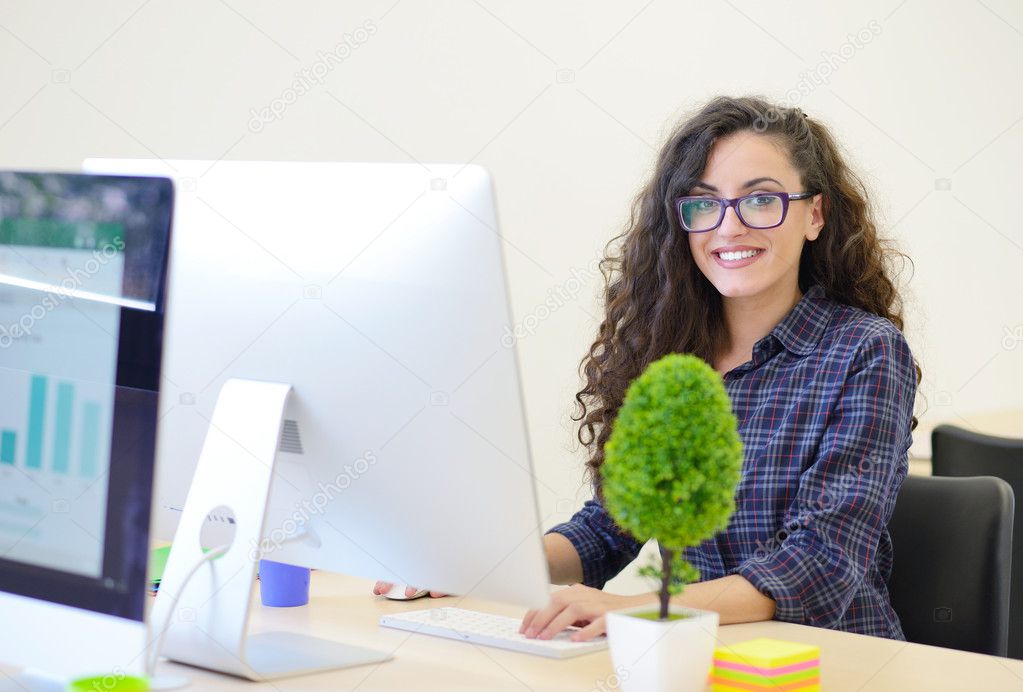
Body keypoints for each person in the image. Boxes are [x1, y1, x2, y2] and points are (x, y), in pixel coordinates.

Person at [378, 95, 919, 643]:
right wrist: (471, 569)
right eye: (704, 204)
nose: (728, 227)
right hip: (697, 656)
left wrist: (638, 609)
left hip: (832, 663)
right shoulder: (674, 353)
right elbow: (611, 527)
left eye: (760, 200)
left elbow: (818, 569)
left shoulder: (864, 351)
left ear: (814, 215)